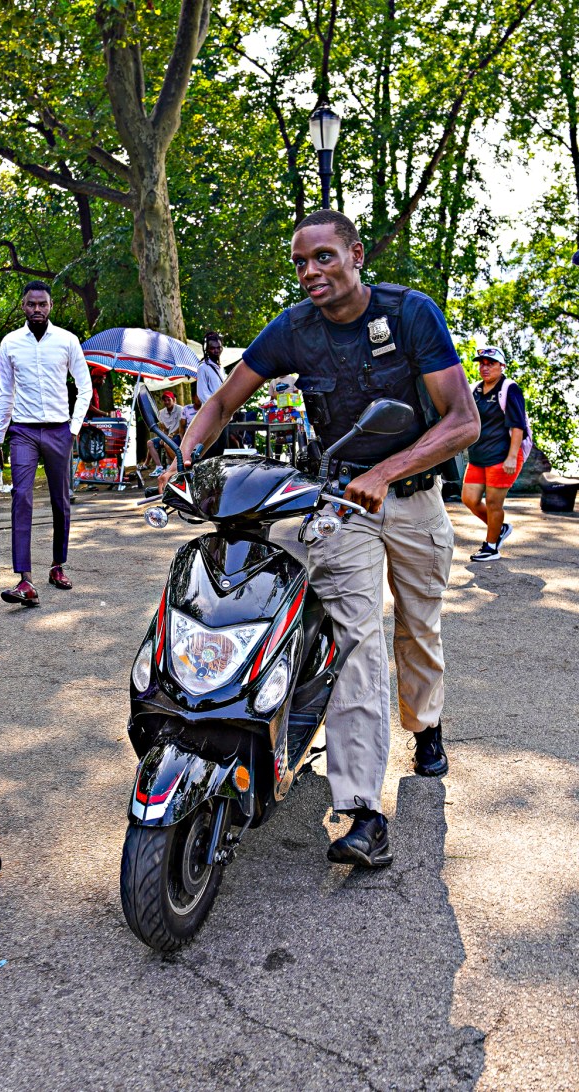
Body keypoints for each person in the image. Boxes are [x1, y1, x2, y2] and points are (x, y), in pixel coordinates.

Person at [163, 210, 479, 869]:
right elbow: (221, 401)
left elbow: (462, 421)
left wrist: (389, 471)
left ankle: (425, 723)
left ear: (356, 254)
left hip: (416, 498)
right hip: (342, 502)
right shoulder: (294, 328)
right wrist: (184, 458)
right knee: (355, 642)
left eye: (325, 257)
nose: (312, 271)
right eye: (301, 262)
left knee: (418, 629)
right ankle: (363, 810)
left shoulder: (412, 314)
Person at [0, 281, 92, 605]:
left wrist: (73, 428)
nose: (37, 309)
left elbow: (85, 387)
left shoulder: (67, 341)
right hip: (22, 431)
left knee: (61, 500)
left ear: (50, 306)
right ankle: (25, 580)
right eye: (31, 304)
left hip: (59, 430)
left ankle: (57, 566)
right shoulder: (10, 344)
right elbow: (5, 393)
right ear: (23, 306)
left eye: (42, 304)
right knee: (21, 497)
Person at [461, 347, 529, 562]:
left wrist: (512, 456)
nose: (485, 367)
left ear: (502, 366)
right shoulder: (475, 390)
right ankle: (499, 528)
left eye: (490, 363)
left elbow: (518, 426)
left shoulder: (509, 389)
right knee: (469, 499)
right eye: (482, 363)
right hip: (479, 456)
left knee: (493, 503)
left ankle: (491, 547)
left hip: (502, 456)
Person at [196, 332, 228, 458]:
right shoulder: (203, 368)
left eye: (218, 347)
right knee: (210, 451)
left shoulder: (221, 368)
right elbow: (202, 393)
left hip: (223, 416)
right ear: (207, 349)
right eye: (212, 348)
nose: (216, 350)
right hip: (210, 416)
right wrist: (217, 407)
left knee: (221, 449)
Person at [145, 390, 182, 475]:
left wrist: (171, 435)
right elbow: (164, 428)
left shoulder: (180, 409)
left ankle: (172, 465)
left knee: (167, 444)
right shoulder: (161, 413)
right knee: (150, 443)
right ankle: (159, 467)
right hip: (168, 436)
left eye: (169, 400)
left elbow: (181, 427)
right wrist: (163, 437)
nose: (166, 402)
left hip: (178, 435)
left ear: (174, 400)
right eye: (165, 400)